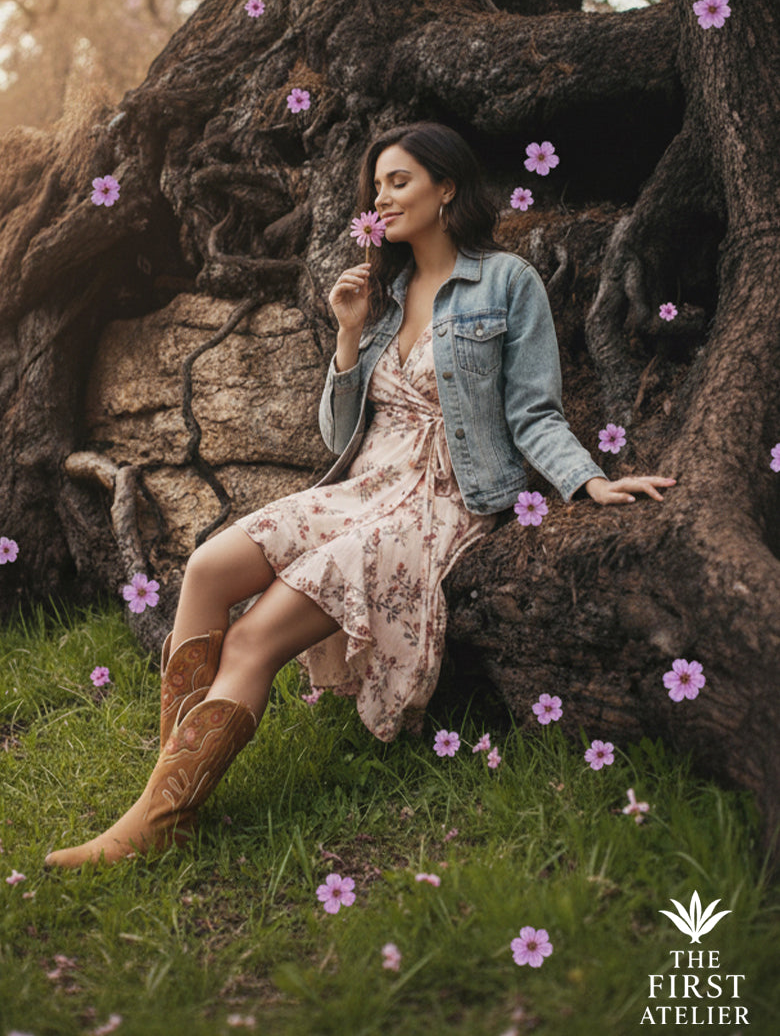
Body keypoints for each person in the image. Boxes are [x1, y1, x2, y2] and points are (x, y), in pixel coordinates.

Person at [45, 121, 677, 868]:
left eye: (399, 180)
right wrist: (349, 336)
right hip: (362, 482)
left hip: (439, 495)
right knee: (208, 569)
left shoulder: (508, 281)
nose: (381, 196)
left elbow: (533, 412)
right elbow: (339, 430)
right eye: (376, 185)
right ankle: (164, 796)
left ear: (447, 188)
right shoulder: (386, 293)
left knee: (253, 639)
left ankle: (151, 825)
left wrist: (590, 480)